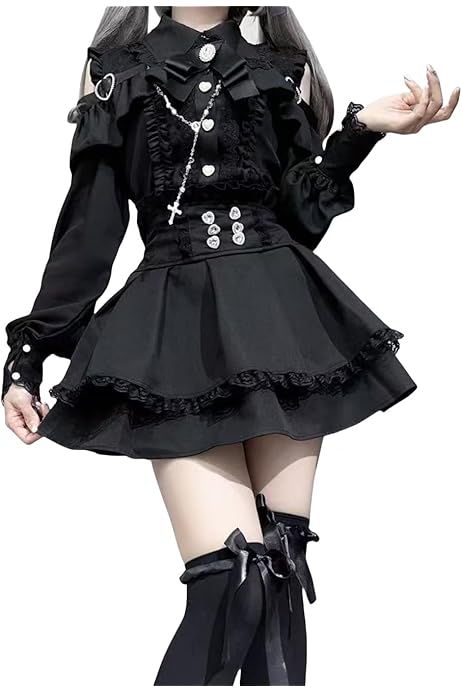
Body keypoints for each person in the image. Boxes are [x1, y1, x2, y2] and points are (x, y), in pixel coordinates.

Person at [2, 5, 459, 686]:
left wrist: (360, 131)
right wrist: (29, 357)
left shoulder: (280, 67)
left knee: (278, 576)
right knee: (232, 580)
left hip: (280, 319)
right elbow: (90, 229)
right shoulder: (119, 73)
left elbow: (298, 219)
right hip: (178, 330)